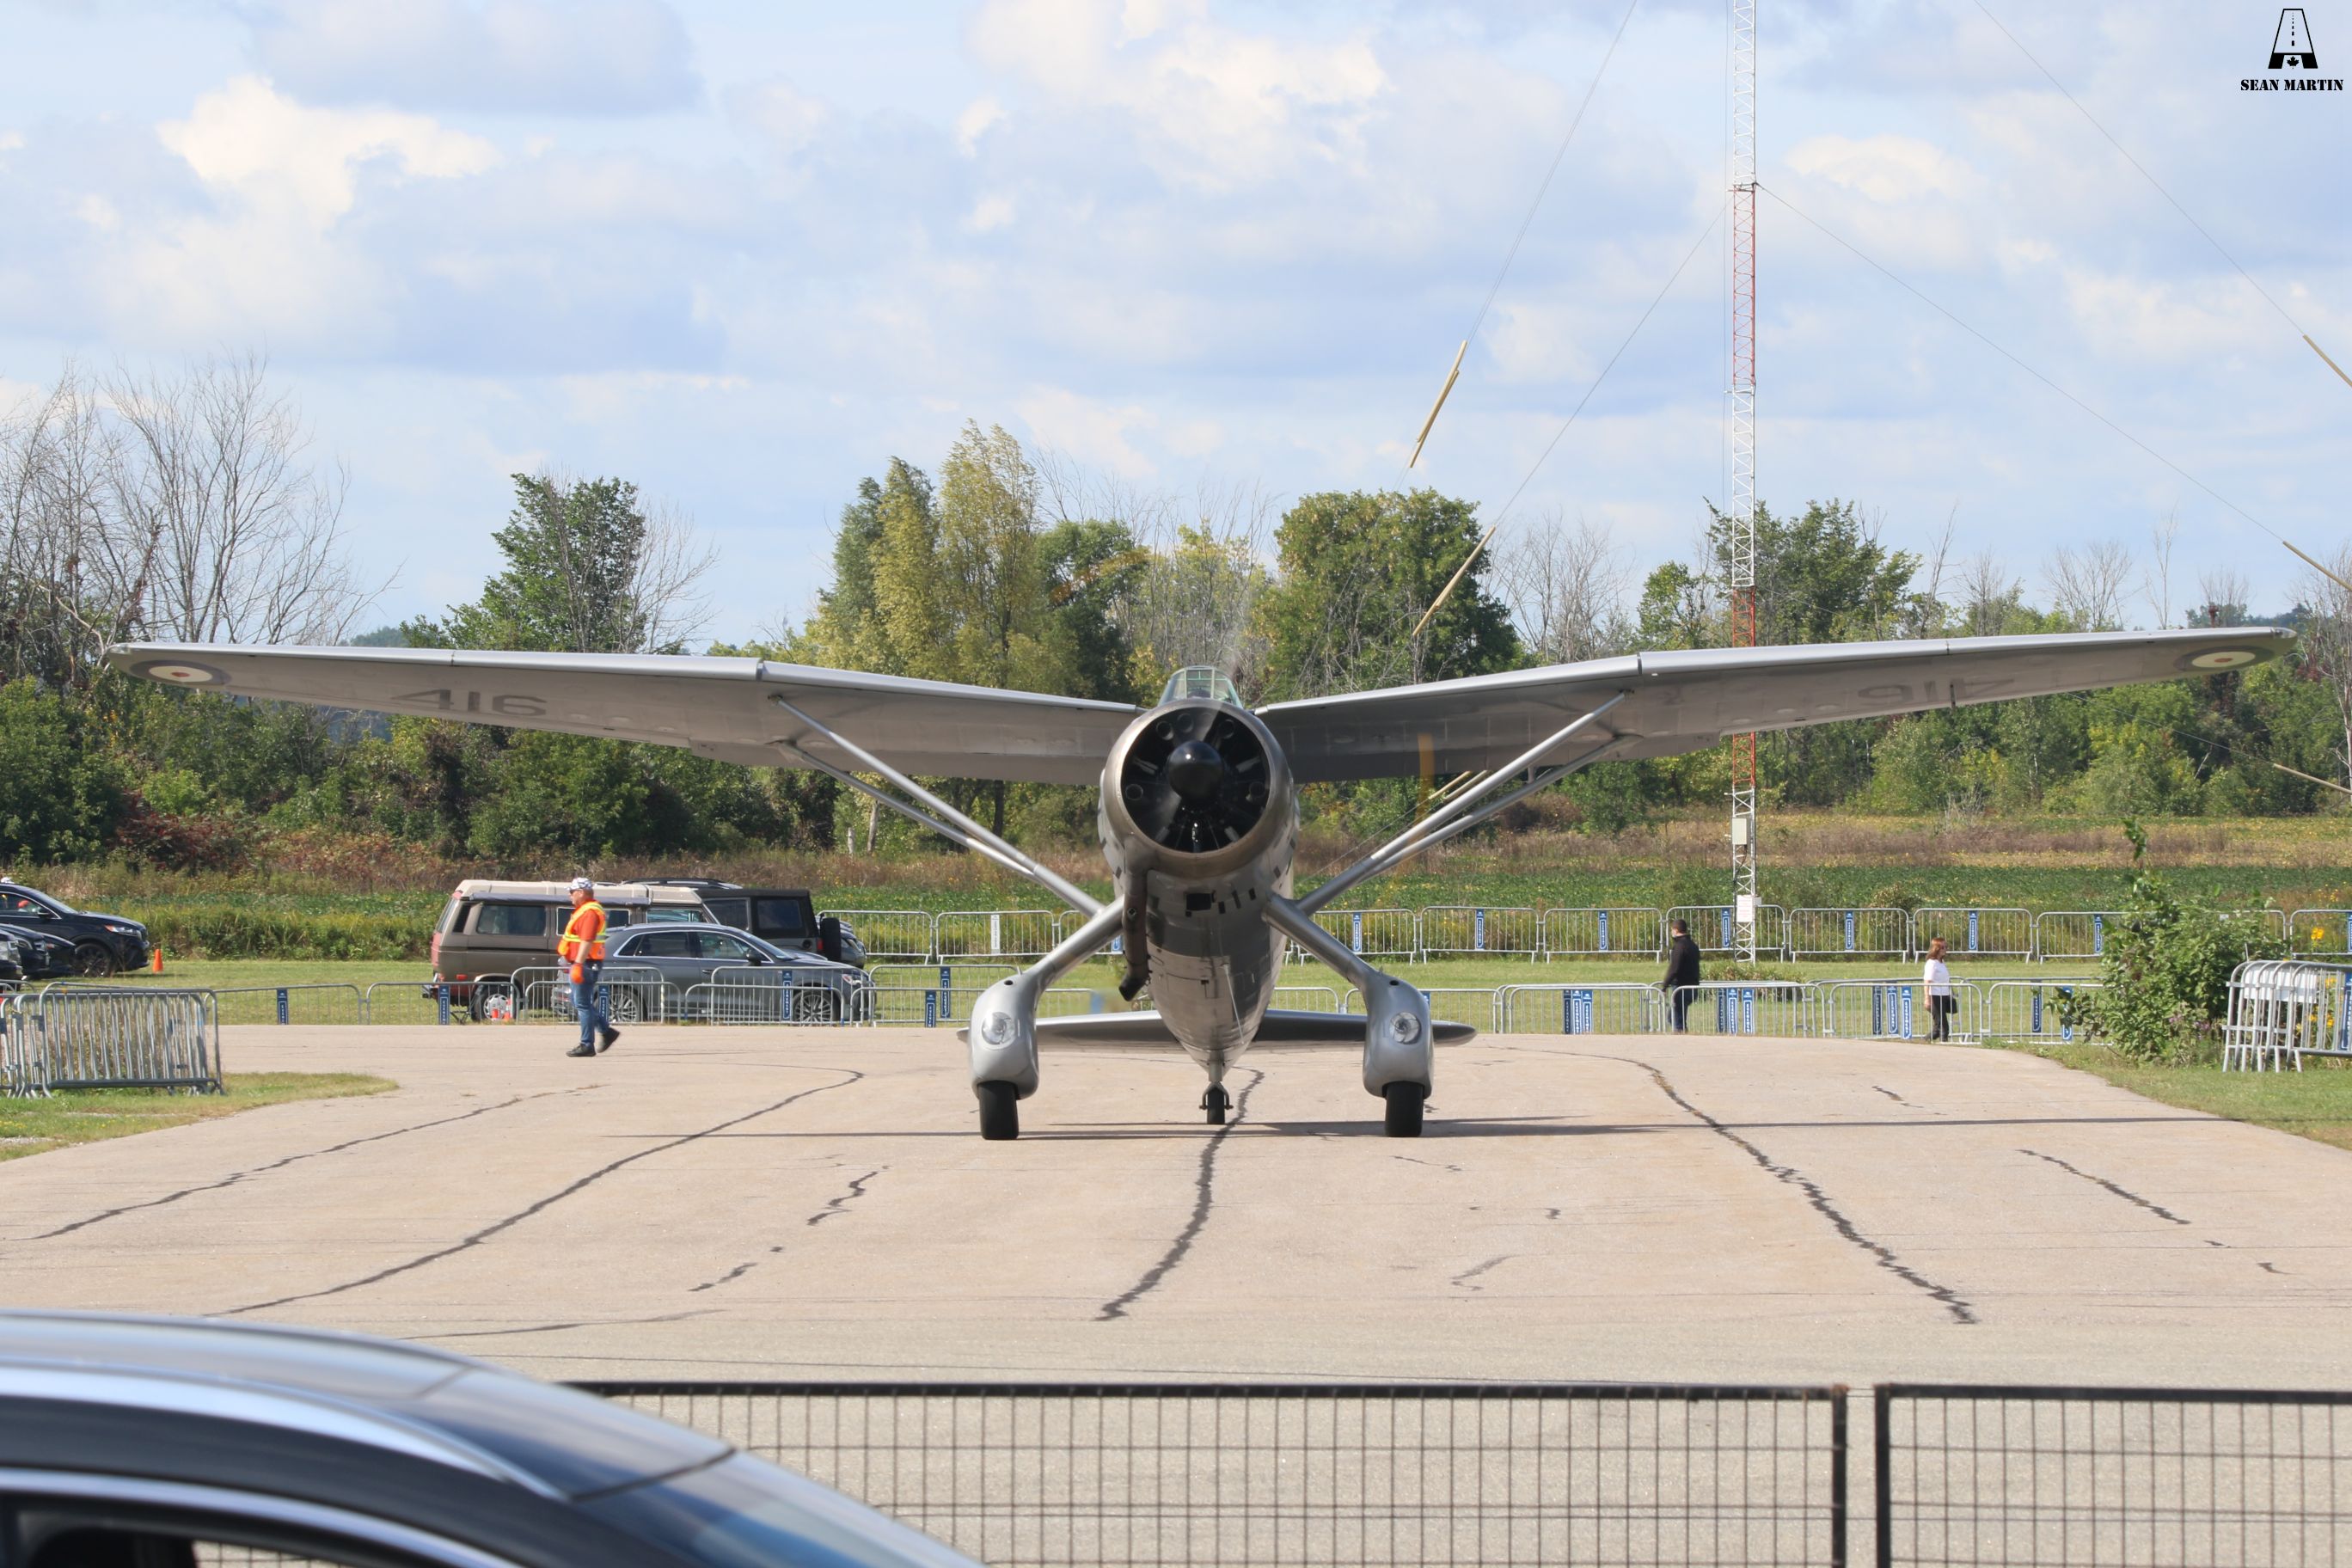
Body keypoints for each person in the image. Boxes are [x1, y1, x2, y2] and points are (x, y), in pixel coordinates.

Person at [558, 877, 619, 1058]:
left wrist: (578, 964)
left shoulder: (589, 913)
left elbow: (587, 940)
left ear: (581, 893)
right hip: (584, 962)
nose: (570, 895)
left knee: (582, 1004)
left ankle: (587, 1044)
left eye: (572, 892)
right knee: (578, 1001)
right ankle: (606, 1031)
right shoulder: (585, 911)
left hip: (585, 963)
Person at [1663, 918, 1701, 1032]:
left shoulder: (1679, 946)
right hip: (1693, 985)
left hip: (1681, 987)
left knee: (1677, 1021)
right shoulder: (1693, 945)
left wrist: (1665, 985)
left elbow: (1674, 968)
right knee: (1673, 1018)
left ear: (1676, 930)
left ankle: (1681, 1036)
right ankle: (1682, 1032)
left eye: (1672, 930)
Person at [1923, 935, 1955, 1041]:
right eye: (1942, 947)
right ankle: (1944, 1043)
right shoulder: (1931, 963)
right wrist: (1927, 999)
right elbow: (1927, 981)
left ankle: (1923, 1041)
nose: (1945, 949)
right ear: (1936, 948)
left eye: (1946, 947)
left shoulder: (1941, 963)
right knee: (1943, 1026)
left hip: (1944, 995)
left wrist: (1950, 993)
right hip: (1935, 996)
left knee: (1938, 1028)